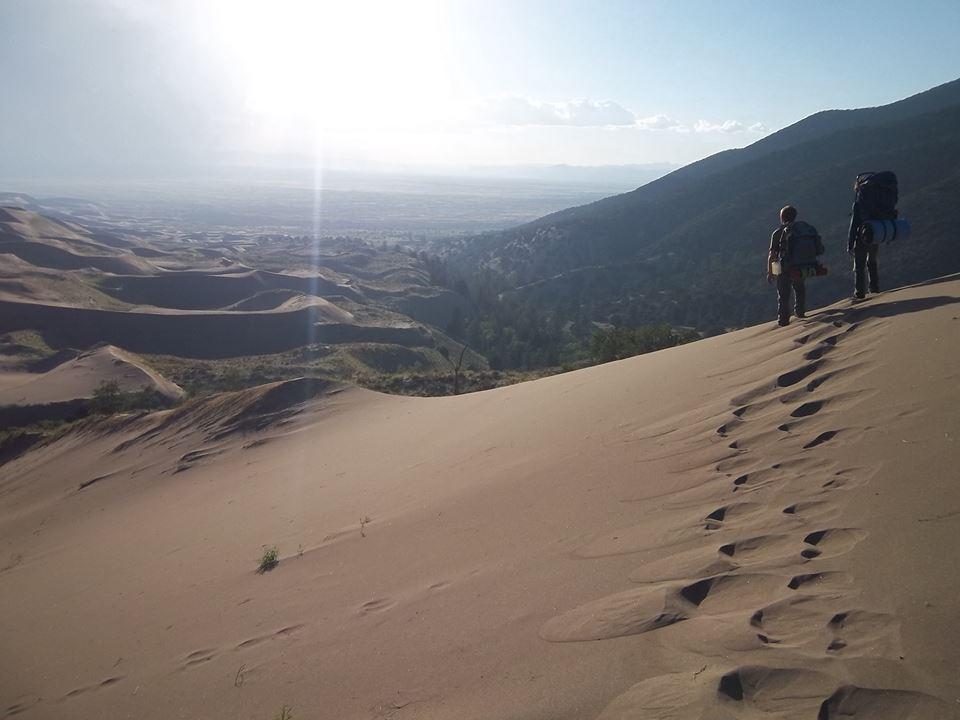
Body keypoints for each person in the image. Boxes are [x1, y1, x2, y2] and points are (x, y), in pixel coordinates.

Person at [767, 205, 823, 326]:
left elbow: (772, 255)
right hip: (803, 264)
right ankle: (800, 312)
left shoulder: (778, 233)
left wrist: (771, 272)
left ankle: (783, 320)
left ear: (782, 217)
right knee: (799, 287)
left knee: (783, 294)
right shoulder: (804, 229)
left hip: (784, 267)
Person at [847, 183, 880, 300]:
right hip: (876, 235)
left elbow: (854, 225)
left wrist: (850, 244)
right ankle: (874, 288)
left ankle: (860, 292)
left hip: (862, 238)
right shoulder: (878, 202)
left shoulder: (858, 204)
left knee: (859, 266)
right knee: (872, 262)